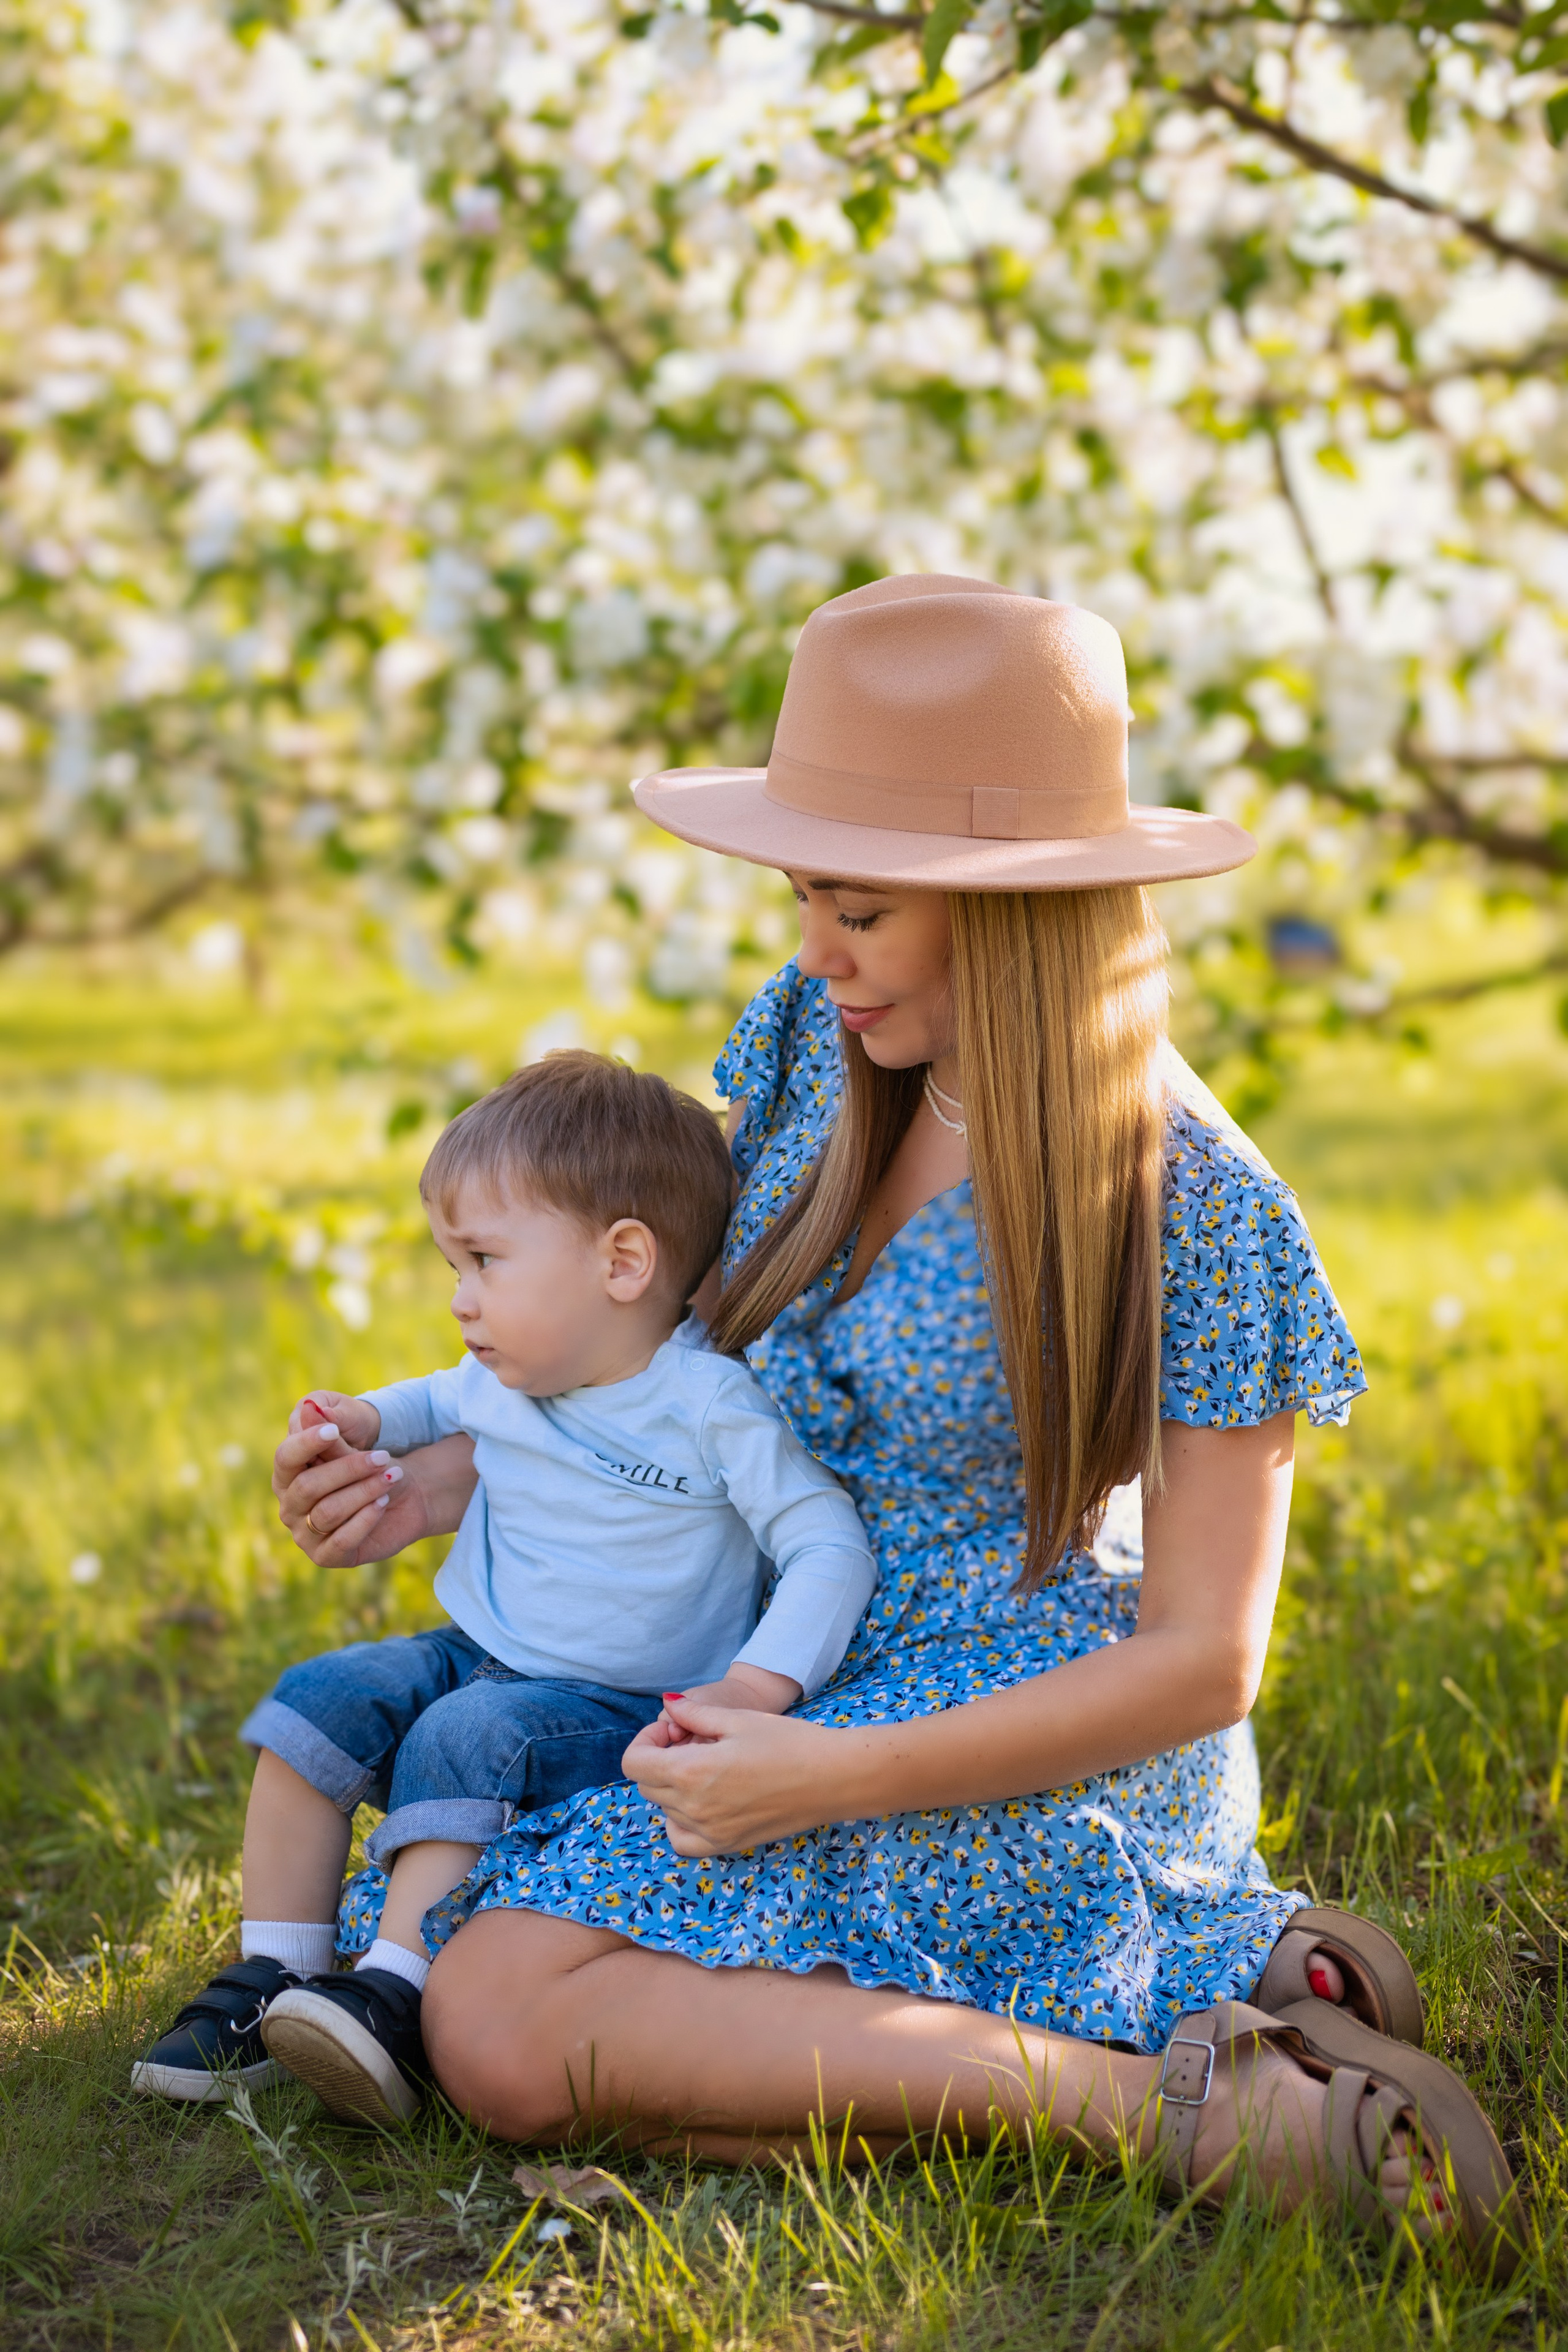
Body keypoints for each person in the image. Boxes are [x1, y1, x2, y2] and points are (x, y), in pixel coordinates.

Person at [274, 576, 1520, 2274]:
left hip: (1022, 1713)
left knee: (495, 2019)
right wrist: (442, 1472)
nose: (810, 948)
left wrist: (828, 1777)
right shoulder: (808, 1049)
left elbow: (1205, 1662)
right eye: (803, 895)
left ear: (1011, 908)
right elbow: (682, 1358)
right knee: (482, 1988)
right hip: (784, 1645)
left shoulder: (1192, 1203)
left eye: (856, 907)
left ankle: (1173, 2101)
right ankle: (1220, 1979)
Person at [135, 1053, 875, 2125]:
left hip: (620, 1701)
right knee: (317, 1698)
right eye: (454, 1263)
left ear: (623, 1262)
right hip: (484, 1647)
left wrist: (759, 1686)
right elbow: (421, 1403)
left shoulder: (707, 1404)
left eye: (483, 1260)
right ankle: (273, 1979)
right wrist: (353, 1425)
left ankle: (395, 1992)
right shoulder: (502, 1373)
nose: (459, 1298)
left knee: (470, 1733)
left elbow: (827, 1541)